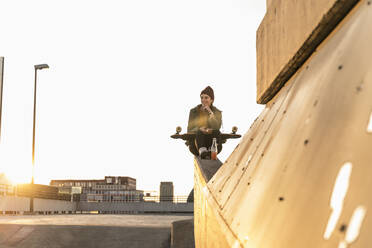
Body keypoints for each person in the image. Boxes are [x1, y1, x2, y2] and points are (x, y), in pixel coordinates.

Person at [187, 86, 222, 159]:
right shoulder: (193, 111)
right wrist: (199, 129)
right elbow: (189, 129)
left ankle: (211, 150)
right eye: (202, 97)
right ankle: (203, 151)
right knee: (200, 131)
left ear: (211, 100)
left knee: (216, 132)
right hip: (197, 142)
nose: (203, 100)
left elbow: (217, 127)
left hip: (212, 142)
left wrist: (211, 114)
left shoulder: (217, 112)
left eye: (206, 98)